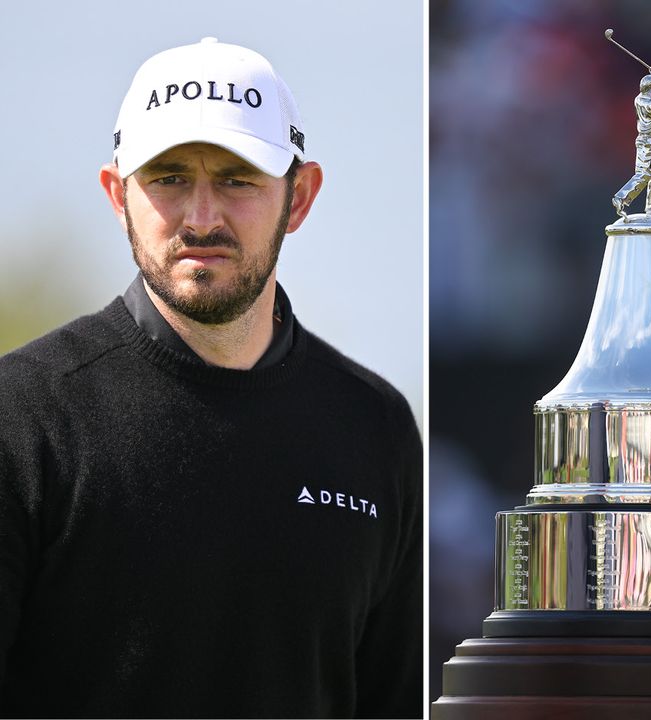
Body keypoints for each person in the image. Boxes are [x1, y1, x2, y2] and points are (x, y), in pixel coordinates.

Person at [0, 38, 422, 718]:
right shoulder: (22, 415)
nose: (201, 217)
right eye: (167, 178)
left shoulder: (377, 426)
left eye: (237, 178)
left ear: (300, 196)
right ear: (118, 195)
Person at [612, 70, 651, 217]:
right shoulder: (644, 101)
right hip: (645, 141)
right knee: (643, 174)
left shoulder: (641, 98)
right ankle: (621, 198)